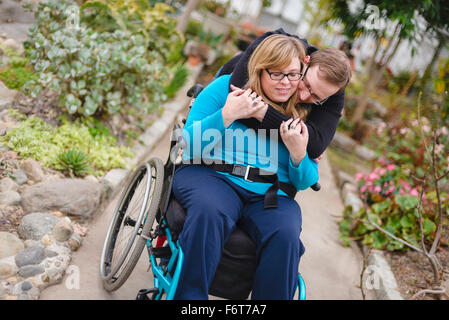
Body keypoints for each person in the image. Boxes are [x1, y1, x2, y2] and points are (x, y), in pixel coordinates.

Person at [172, 34, 317, 299]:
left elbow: (307, 180)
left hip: (270, 192)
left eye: (293, 75)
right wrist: (227, 115)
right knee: (210, 210)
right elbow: (188, 144)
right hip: (212, 174)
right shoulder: (224, 89)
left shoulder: (300, 110)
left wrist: (298, 156)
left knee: (286, 234)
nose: (286, 83)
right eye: (277, 74)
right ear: (260, 69)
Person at [218, 28, 352, 160]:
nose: (304, 96)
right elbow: (239, 102)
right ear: (305, 62)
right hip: (225, 78)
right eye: (306, 83)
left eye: (316, 97)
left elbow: (316, 146)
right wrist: (295, 139)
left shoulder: (333, 88)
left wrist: (262, 113)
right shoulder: (273, 41)